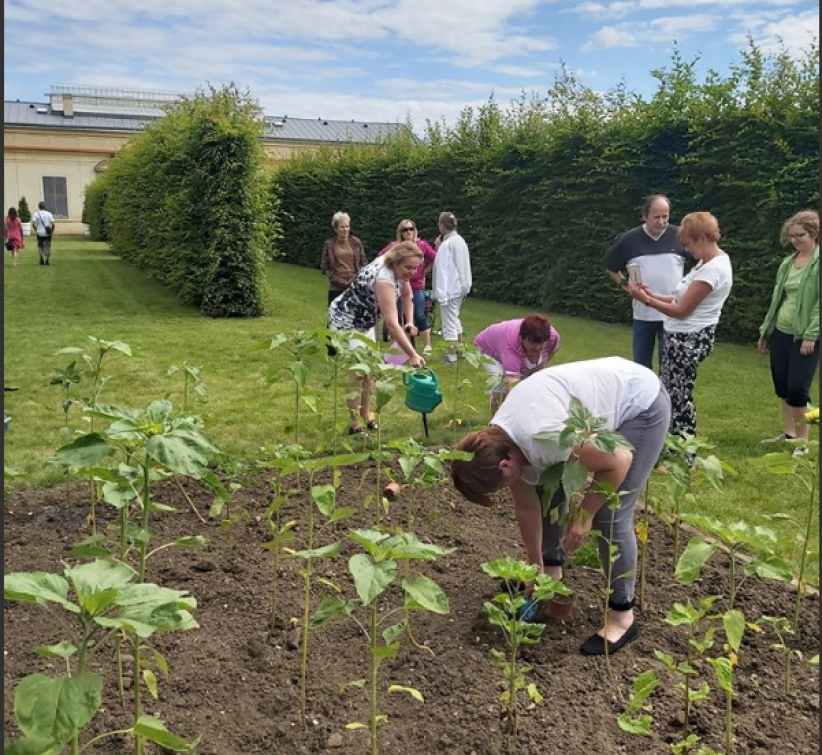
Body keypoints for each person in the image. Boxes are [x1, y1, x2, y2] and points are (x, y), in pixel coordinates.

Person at [450, 356, 670, 656]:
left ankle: (622, 616)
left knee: (610, 513)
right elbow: (527, 507)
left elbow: (619, 460)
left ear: (504, 464)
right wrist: (536, 569)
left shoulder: (544, 439)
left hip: (640, 404)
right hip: (602, 394)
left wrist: (585, 514)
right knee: (543, 485)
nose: (506, 489)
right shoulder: (500, 441)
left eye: (499, 486)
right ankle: (552, 574)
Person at [629, 211, 732, 440]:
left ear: (702, 238)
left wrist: (646, 300)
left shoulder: (713, 270)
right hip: (681, 337)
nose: (687, 250)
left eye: (688, 244)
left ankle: (686, 453)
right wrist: (652, 294)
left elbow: (682, 311)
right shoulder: (705, 263)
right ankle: (672, 444)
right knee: (671, 392)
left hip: (690, 340)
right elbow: (678, 298)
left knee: (679, 397)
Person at [328, 241, 425, 434]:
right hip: (346, 319)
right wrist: (412, 354)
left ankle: (367, 414)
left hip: (365, 321)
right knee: (358, 370)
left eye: (415, 268)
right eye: (408, 267)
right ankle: (354, 423)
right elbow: (391, 324)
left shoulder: (400, 270)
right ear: (396, 262)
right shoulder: (384, 278)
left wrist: (411, 321)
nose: (412, 272)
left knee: (371, 368)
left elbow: (407, 296)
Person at [602, 195, 689, 371]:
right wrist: (627, 287)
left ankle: (666, 398)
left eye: (665, 216)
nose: (662, 221)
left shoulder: (680, 236)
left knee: (670, 367)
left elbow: (699, 263)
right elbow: (610, 266)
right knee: (641, 368)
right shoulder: (630, 239)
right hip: (643, 315)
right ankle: (643, 399)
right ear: (645, 216)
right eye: (657, 217)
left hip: (672, 314)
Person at [757, 210, 820, 449]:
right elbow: (777, 300)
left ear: (814, 233)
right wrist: (766, 332)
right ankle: (790, 434)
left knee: (797, 389)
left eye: (799, 235)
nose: (794, 240)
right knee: (782, 386)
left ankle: (803, 442)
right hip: (781, 332)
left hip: (806, 336)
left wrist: (811, 335)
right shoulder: (787, 263)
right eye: (791, 236)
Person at [475, 315, 561, 409]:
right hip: (488, 347)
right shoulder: (511, 348)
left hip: (507, 347)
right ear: (522, 338)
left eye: (541, 343)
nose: (537, 348)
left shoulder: (552, 337)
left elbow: (551, 352)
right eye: (532, 343)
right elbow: (513, 385)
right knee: (501, 383)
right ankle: (495, 420)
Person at [378, 219, 438, 354]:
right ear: (400, 232)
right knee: (398, 317)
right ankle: (399, 347)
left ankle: (427, 345)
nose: (409, 232)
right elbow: (381, 258)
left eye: (411, 229)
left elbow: (436, 258)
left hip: (416, 285)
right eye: (405, 230)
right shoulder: (395, 246)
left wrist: (424, 271)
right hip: (399, 286)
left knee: (420, 315)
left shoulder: (421, 245)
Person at [431, 211, 471, 363]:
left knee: (448, 324)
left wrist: (441, 294)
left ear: (442, 226)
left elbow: (442, 270)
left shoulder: (446, 245)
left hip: (450, 290)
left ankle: (451, 356)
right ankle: (461, 350)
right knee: (454, 319)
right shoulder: (460, 241)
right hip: (460, 288)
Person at [320, 211, 367, 306]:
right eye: (342, 227)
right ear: (336, 229)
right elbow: (324, 267)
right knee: (335, 319)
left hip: (354, 287)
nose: (345, 229)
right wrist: (338, 280)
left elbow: (364, 263)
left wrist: (355, 279)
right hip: (336, 288)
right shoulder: (329, 244)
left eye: (347, 226)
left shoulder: (356, 242)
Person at [32, 201, 55, 266]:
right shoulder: (49, 214)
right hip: (47, 233)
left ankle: (41, 259)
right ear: (45, 207)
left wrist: (36, 230)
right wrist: (52, 231)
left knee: (40, 246)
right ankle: (47, 260)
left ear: (39, 207)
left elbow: (33, 223)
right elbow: (53, 224)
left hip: (39, 233)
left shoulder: (36, 214)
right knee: (47, 246)